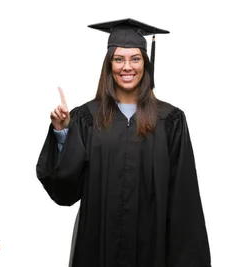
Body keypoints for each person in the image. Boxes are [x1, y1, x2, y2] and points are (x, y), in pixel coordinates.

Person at [36, 18, 211, 267]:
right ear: (109, 65)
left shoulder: (170, 120)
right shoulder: (87, 118)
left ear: (145, 64)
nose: (126, 67)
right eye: (119, 59)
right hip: (98, 246)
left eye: (135, 59)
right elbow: (66, 189)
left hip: (153, 246)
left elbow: (184, 195)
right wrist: (62, 132)